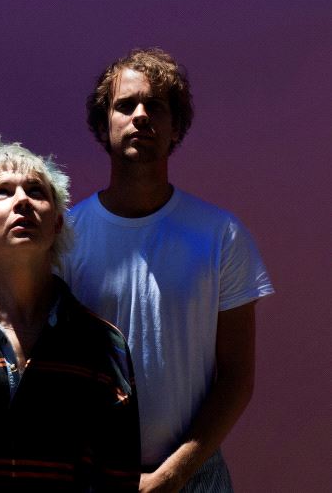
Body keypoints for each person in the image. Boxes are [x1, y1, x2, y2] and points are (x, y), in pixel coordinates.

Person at [61, 48, 275, 491]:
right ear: (103, 125)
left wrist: (174, 473)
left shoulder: (220, 235)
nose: (140, 116)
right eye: (125, 105)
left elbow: (236, 377)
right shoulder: (65, 238)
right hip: (92, 474)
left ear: (175, 126)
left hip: (194, 475)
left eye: (155, 106)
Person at [0, 136, 141, 492]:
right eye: (2, 192)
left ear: (57, 223)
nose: (22, 201)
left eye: (35, 191)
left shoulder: (103, 344)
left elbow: (119, 475)